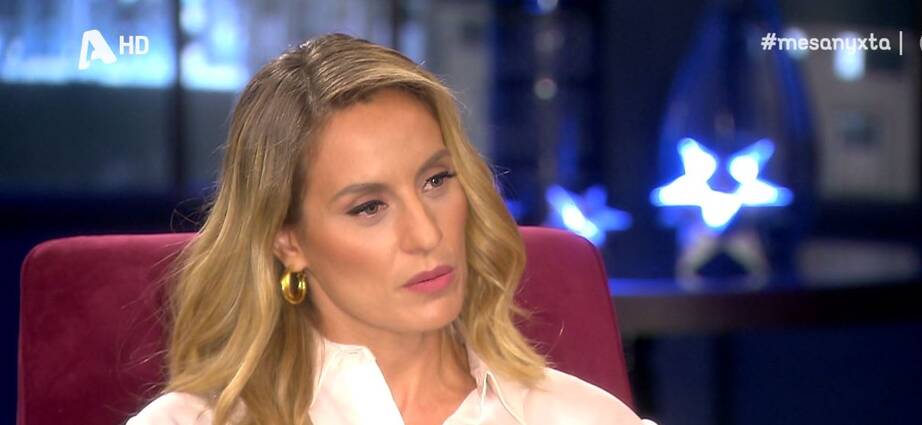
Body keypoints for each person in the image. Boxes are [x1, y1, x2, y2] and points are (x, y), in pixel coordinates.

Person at [126, 33, 657, 425]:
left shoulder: (580, 416)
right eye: (369, 207)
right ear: (287, 242)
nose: (426, 235)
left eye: (436, 180)